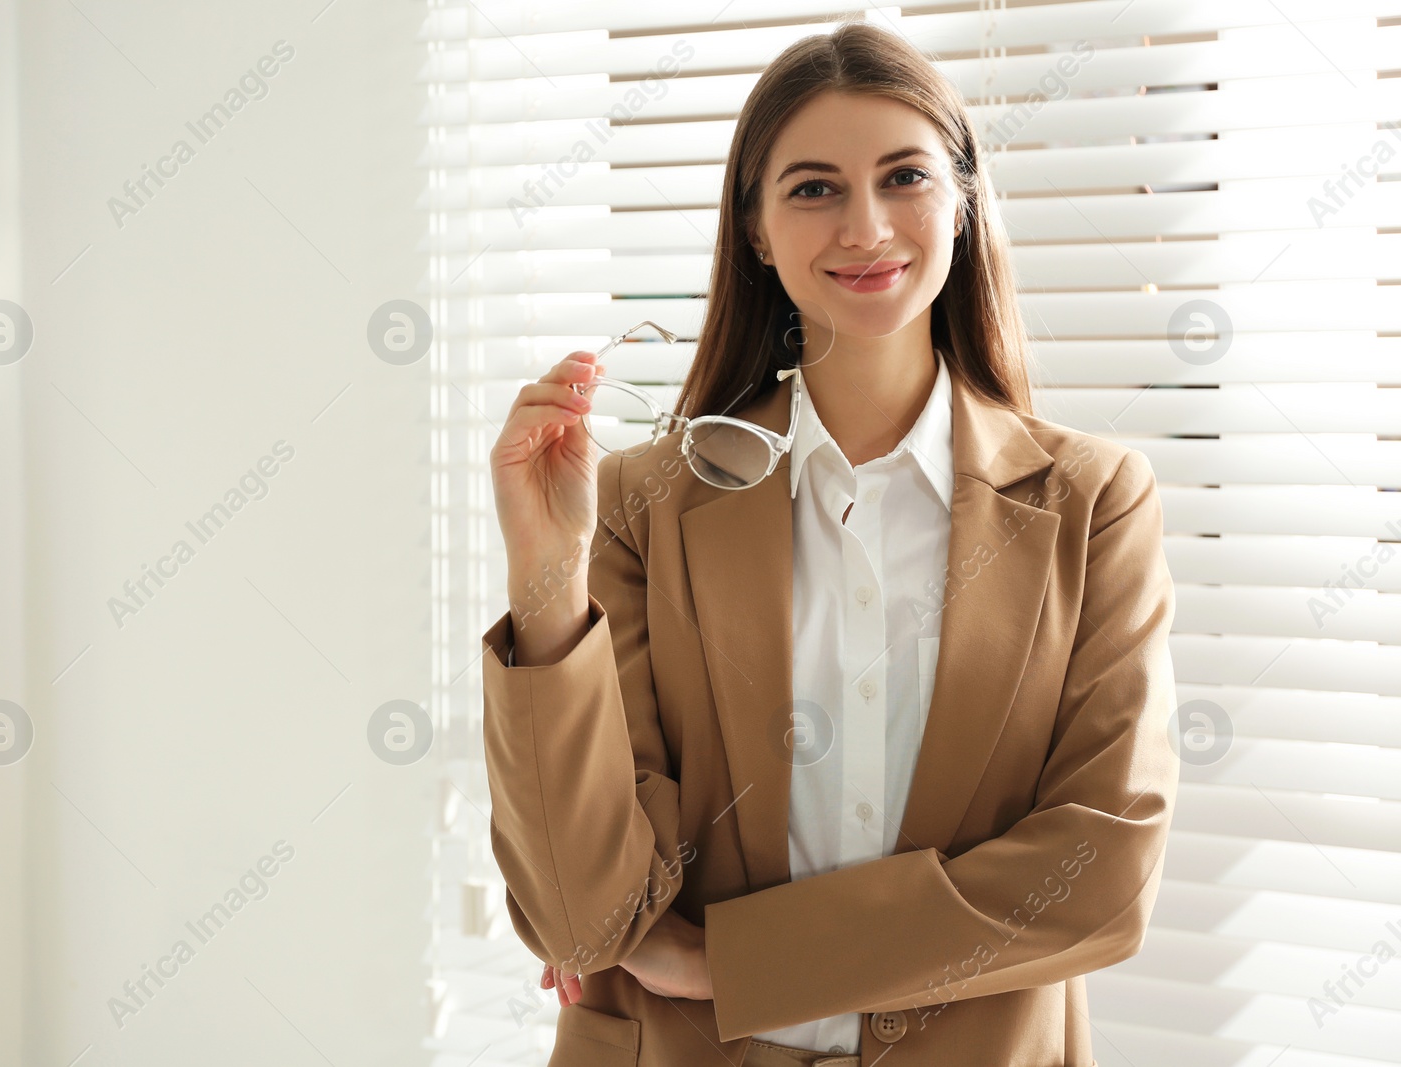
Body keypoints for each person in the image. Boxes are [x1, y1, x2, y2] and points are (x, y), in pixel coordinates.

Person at [482, 19, 1179, 1067]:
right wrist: (547, 578)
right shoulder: (638, 504)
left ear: (961, 199)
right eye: (812, 188)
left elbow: (1099, 873)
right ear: (756, 229)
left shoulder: (1092, 502)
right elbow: (584, 922)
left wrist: (733, 961)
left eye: (903, 177)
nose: (864, 226)